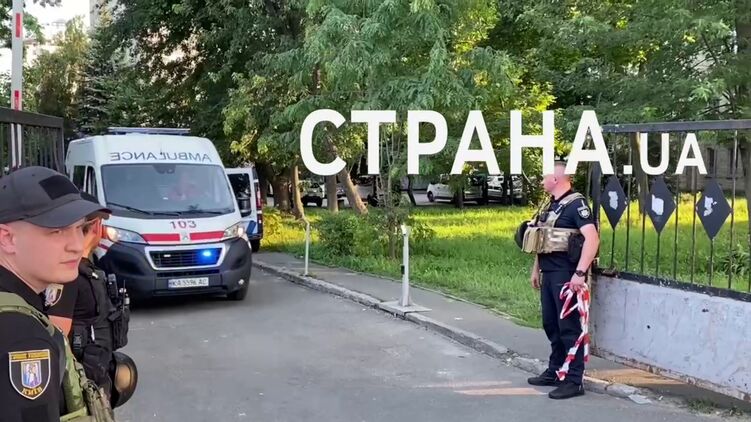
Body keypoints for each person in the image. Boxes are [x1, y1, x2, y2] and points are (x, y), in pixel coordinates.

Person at [0, 166, 115, 421]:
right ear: (7, 238)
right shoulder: (21, 335)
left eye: (79, 228)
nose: (76, 246)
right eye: (57, 231)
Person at [519, 161, 599, 400]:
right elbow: (541, 239)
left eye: (545, 176)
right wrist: (536, 270)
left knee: (569, 328)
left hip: (566, 274)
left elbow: (592, 239)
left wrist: (580, 273)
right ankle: (555, 370)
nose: (542, 180)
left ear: (556, 179)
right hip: (548, 272)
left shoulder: (577, 205)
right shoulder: (551, 205)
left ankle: (574, 381)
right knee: (551, 325)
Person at [46, 193, 116, 400]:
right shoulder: (69, 274)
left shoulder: (83, 270)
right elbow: (56, 335)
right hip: (79, 386)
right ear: (96, 226)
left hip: (91, 376)